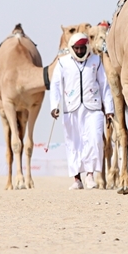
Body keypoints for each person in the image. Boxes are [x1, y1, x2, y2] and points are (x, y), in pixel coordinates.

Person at [50, 32, 114, 189]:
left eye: (82, 48)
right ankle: (77, 179)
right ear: (72, 48)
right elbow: (56, 85)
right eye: (76, 48)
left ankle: (90, 175)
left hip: (93, 108)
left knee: (95, 139)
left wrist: (109, 109)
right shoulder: (63, 63)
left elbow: (104, 85)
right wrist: (54, 105)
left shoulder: (95, 61)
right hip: (71, 110)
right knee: (74, 143)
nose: (79, 51)